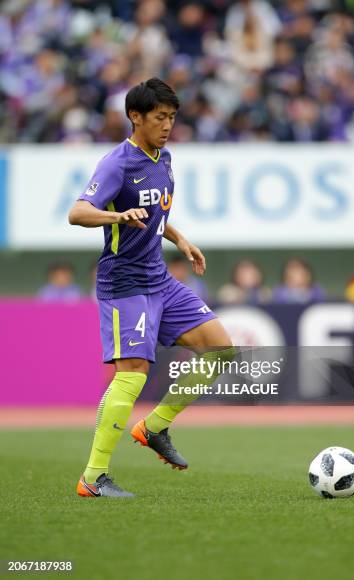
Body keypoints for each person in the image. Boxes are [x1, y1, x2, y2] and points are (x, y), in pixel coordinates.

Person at [68, 77, 233, 498]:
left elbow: (155, 212)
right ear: (135, 117)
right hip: (125, 284)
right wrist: (116, 217)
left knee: (221, 348)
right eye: (160, 117)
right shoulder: (117, 163)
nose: (167, 125)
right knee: (133, 374)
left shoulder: (164, 158)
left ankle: (154, 427)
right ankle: (92, 477)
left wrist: (180, 239)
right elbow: (78, 212)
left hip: (159, 278)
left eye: (172, 118)